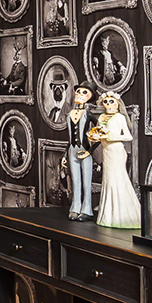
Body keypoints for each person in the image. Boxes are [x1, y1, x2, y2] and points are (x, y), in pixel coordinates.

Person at [92, 92, 139, 229]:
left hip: (116, 151)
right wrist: (95, 136)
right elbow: (98, 132)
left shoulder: (120, 117)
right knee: (108, 180)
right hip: (106, 152)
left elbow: (129, 137)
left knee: (117, 180)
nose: (108, 104)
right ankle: (108, 215)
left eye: (111, 101)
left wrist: (111, 136)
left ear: (117, 103)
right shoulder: (102, 117)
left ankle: (123, 215)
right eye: (106, 102)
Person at [66, 84, 97, 220]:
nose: (79, 94)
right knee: (75, 182)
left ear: (89, 97)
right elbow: (69, 138)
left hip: (84, 151)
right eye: (78, 91)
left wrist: (90, 151)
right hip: (72, 152)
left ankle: (87, 209)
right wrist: (65, 155)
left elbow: (101, 134)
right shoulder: (69, 114)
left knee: (86, 182)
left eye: (84, 92)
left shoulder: (88, 114)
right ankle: (75, 207)